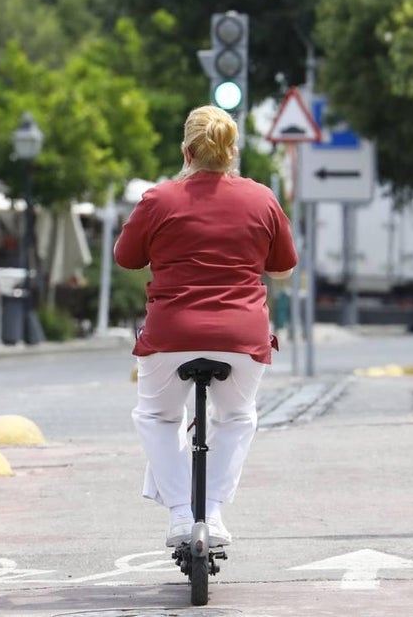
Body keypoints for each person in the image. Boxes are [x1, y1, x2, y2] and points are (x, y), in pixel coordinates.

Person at [114, 105, 297, 548]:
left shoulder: (159, 199)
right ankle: (211, 512)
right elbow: (284, 268)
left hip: (171, 333)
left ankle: (181, 514)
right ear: (232, 152)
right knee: (236, 416)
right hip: (241, 336)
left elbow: (126, 258)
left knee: (157, 416)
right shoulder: (262, 199)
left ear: (187, 151)